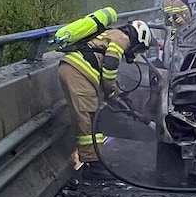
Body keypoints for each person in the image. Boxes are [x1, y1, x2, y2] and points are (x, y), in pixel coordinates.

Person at [58, 20, 152, 180]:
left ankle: (94, 159)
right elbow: (109, 69)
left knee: (92, 117)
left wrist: (117, 94)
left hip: (77, 71)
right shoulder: (122, 38)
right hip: (78, 73)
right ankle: (93, 166)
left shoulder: (112, 33)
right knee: (88, 118)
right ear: (138, 39)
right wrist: (112, 91)